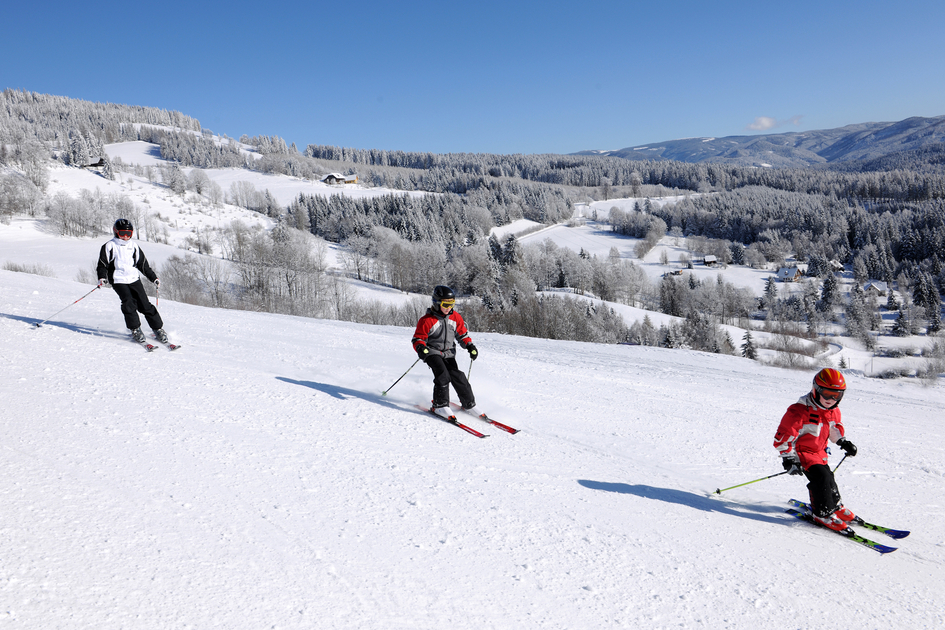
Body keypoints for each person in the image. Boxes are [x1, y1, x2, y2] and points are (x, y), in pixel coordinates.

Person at [774, 368, 858, 531]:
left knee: (829, 478)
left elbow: (833, 429)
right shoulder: (799, 411)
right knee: (821, 478)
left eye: (836, 395)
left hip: (820, 453)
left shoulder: (833, 411)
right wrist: (788, 458)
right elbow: (784, 435)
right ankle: (822, 513)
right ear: (816, 390)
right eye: (827, 393)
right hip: (802, 453)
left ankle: (835, 505)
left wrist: (842, 442)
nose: (830, 399)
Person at [96, 218, 168, 344]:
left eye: (128, 234)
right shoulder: (109, 246)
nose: (125, 236)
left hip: (133, 278)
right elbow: (102, 264)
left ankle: (158, 329)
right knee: (128, 302)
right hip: (118, 279)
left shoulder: (133, 246)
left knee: (144, 304)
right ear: (116, 232)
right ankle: (135, 329)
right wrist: (102, 277)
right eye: (122, 233)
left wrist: (153, 278)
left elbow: (143, 265)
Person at [412, 285, 479, 418]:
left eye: (451, 304)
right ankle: (440, 405)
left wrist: (470, 346)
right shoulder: (427, 320)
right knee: (442, 375)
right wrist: (421, 348)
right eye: (445, 304)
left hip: (448, 353)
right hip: (431, 352)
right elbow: (418, 338)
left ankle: (469, 403)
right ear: (437, 303)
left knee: (458, 376)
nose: (449, 307)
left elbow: (462, 335)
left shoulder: (455, 317)